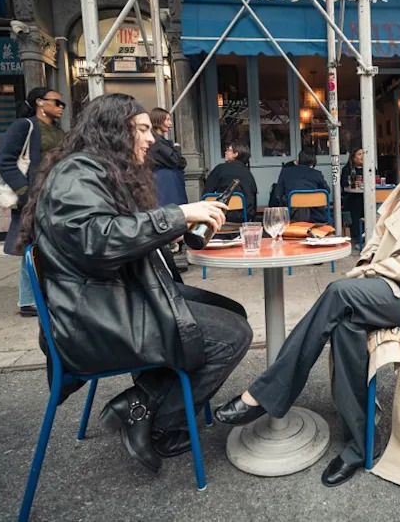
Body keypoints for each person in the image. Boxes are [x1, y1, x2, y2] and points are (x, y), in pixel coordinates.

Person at [214, 112, 400, 493]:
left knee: (340, 293)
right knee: (345, 324)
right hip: (390, 288)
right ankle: (359, 446)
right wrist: (369, 264)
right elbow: (374, 240)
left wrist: (378, 271)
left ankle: (265, 393)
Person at [18, 93, 253, 473]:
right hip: (93, 317)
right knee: (233, 334)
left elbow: (114, 235)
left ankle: (146, 401)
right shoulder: (79, 173)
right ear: (113, 130)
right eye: (142, 130)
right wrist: (175, 216)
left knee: (230, 311)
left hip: (105, 299)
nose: (151, 139)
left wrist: (175, 230)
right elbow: (98, 239)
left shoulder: (93, 170)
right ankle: (152, 415)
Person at [0, 87, 66, 318]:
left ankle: (43, 296)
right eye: (56, 102)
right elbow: (3, 160)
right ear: (39, 103)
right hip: (33, 197)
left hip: (56, 195)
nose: (61, 107)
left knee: (49, 246)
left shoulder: (57, 131)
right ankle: (28, 300)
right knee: (34, 246)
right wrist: (24, 192)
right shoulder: (24, 126)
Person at [272, 148, 330, 223]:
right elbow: (327, 191)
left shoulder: (285, 172)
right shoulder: (317, 174)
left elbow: (278, 194)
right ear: (313, 162)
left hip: (291, 217)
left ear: (298, 160)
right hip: (316, 217)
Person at [204, 142, 257, 224]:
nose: (225, 152)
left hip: (222, 218)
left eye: (228, 150)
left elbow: (206, 194)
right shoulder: (248, 174)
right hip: (243, 219)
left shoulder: (220, 169)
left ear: (235, 154)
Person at [148, 107, 187, 207]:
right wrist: (177, 148)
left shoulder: (161, 141)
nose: (170, 124)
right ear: (159, 120)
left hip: (170, 183)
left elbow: (181, 162)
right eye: (167, 120)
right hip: (166, 184)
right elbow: (175, 160)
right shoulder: (156, 142)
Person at [341, 146, 365, 236]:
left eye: (364, 153)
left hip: (366, 196)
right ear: (353, 157)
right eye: (359, 154)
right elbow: (344, 185)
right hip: (352, 197)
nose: (362, 156)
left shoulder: (370, 168)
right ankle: (358, 235)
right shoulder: (347, 169)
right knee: (357, 202)